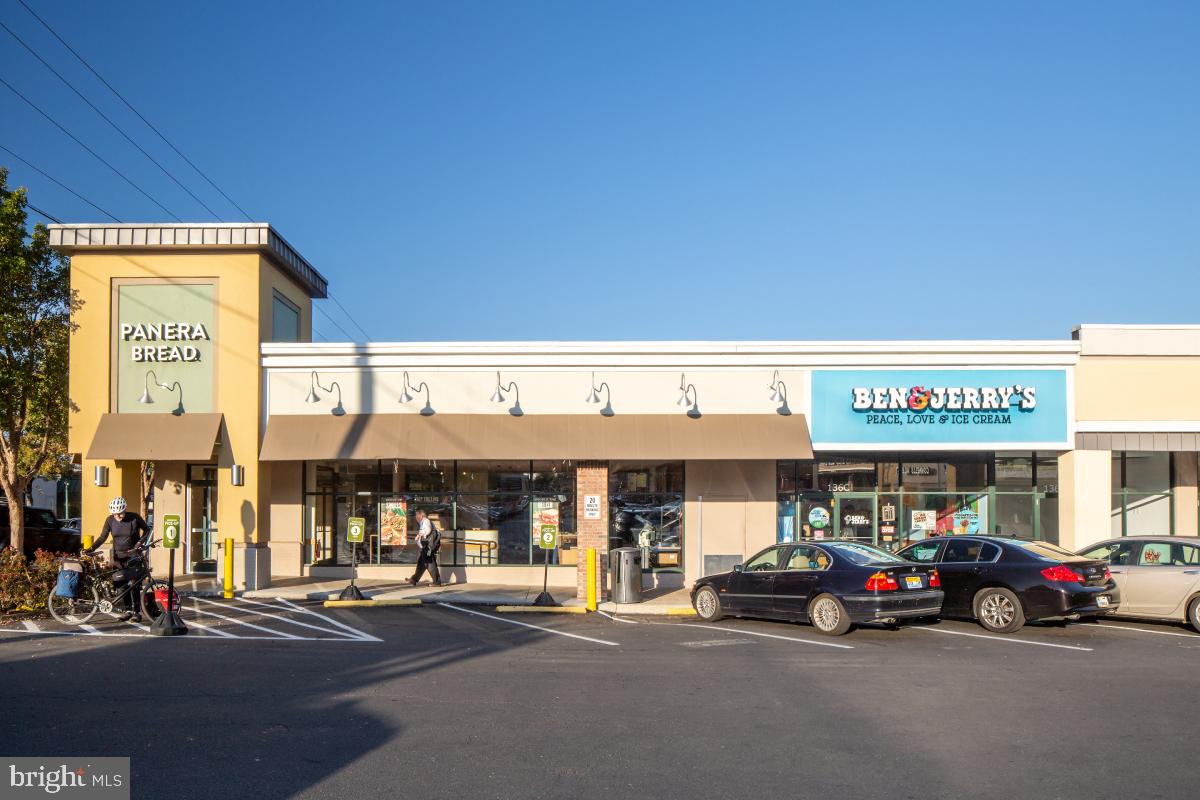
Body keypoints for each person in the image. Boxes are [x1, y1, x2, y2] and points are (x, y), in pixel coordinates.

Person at [86, 497, 151, 621]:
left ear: (124, 510)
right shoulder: (110, 520)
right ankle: (127, 610)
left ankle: (137, 612)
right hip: (118, 557)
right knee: (121, 584)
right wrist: (91, 548)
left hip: (133, 555)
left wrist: (139, 544)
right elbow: (102, 538)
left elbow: (147, 530)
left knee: (134, 584)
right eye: (116, 514)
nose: (118, 516)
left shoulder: (134, 518)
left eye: (120, 513)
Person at [407, 509, 442, 587]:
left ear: (421, 515)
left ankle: (437, 582)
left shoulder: (425, 521)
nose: (416, 517)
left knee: (430, 564)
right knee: (421, 563)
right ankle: (414, 579)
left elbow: (427, 530)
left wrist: (420, 535)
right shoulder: (423, 522)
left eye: (417, 515)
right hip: (425, 546)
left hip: (428, 546)